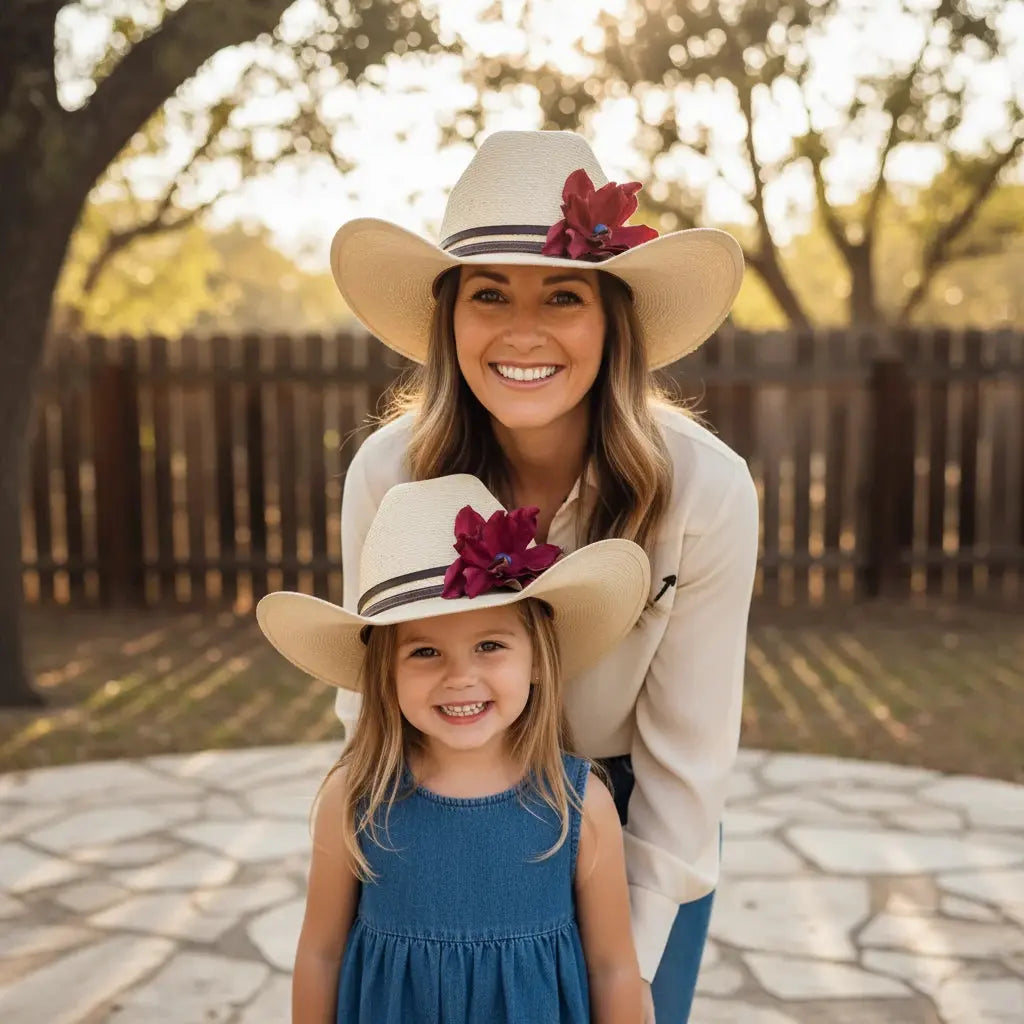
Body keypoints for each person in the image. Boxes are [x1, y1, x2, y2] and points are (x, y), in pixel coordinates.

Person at [330, 130, 760, 1022]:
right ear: (450, 317)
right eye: (489, 294)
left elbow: (689, 759)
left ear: (613, 319)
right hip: (442, 800)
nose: (522, 331)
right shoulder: (387, 473)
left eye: (563, 295)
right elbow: (370, 694)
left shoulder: (704, 489)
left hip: (635, 812)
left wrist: (624, 969)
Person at [256, 474, 651, 1024]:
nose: (460, 677)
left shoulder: (579, 805)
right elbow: (321, 954)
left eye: (490, 645)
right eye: (424, 652)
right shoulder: (356, 799)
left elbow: (611, 967)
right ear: (384, 674)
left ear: (537, 660)